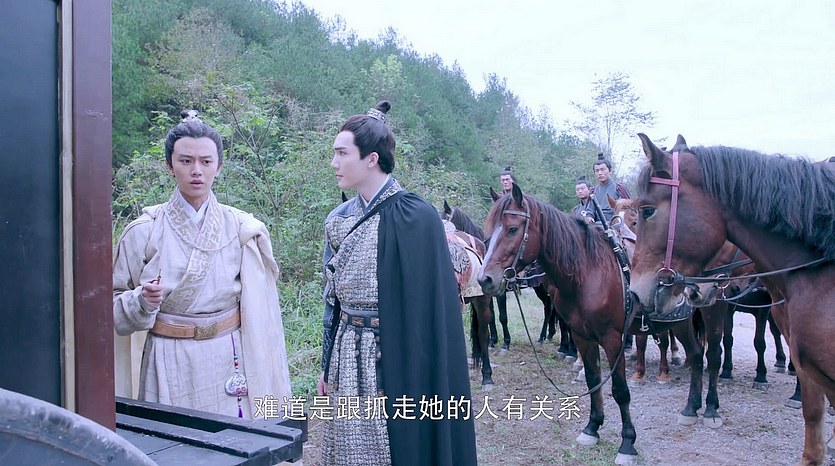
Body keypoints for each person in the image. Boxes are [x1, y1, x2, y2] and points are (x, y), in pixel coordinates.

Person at [318, 101, 477, 465]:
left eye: (342, 153)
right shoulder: (339, 219)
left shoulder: (415, 216)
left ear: (371, 159)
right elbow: (332, 301)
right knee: (348, 450)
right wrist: (326, 365)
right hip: (347, 351)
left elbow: (432, 309)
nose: (334, 163)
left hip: (398, 355)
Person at [112, 110, 291, 419]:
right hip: (167, 355)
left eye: (206, 162)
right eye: (186, 161)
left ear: (219, 167)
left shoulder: (242, 229)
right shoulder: (144, 231)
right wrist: (142, 301)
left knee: (233, 439)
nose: (196, 170)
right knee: (170, 439)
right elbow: (110, 307)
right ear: (169, 165)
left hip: (228, 355)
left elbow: (261, 311)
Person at [590, 152, 631, 223]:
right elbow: (590, 209)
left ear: (610, 171)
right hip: (597, 225)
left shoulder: (619, 188)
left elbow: (626, 210)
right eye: (597, 171)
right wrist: (589, 216)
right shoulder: (594, 191)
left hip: (615, 222)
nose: (600, 173)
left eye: (602, 169)